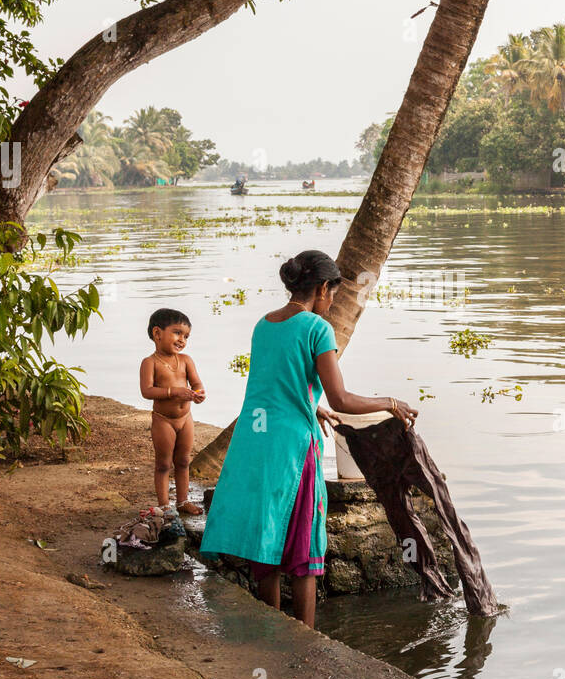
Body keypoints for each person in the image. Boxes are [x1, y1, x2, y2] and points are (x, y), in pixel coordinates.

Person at [199, 250, 418, 628]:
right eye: (332, 292)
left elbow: (272, 386)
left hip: (254, 442)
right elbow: (342, 398)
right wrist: (391, 402)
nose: (332, 301)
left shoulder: (264, 324)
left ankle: (271, 629)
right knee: (303, 548)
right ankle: (305, 637)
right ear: (320, 288)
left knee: (266, 538)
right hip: (292, 448)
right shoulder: (317, 329)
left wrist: (312, 406)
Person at [139, 308, 206, 515]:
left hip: (185, 418)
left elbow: (196, 383)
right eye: (177, 333)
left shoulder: (186, 360)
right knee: (163, 463)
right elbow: (147, 391)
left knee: (184, 460)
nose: (182, 340)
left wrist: (199, 393)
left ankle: (182, 501)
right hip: (163, 420)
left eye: (186, 336)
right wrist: (173, 391)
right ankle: (164, 505)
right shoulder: (150, 363)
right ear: (157, 333)